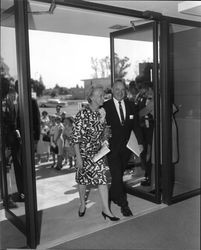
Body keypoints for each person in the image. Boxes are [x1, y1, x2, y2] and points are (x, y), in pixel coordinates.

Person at [72, 86, 119, 221]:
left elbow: (103, 133)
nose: (102, 97)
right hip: (83, 153)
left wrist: (105, 141)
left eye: (102, 95)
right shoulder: (82, 114)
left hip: (97, 154)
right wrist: (78, 158)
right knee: (82, 181)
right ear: (91, 98)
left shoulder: (101, 113)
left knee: (102, 180)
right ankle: (82, 204)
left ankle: (106, 210)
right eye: (99, 95)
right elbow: (75, 138)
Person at [103, 79, 143, 217]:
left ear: (125, 91)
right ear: (112, 90)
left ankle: (112, 194)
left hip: (126, 149)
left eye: (122, 90)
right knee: (117, 175)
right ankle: (123, 204)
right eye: (117, 89)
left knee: (118, 175)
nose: (120, 92)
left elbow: (136, 126)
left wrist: (140, 143)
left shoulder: (131, 105)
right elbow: (100, 127)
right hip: (112, 149)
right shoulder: (105, 106)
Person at [135, 76, 154, 186]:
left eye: (142, 87)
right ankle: (148, 175)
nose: (140, 89)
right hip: (142, 129)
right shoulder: (140, 97)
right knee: (144, 153)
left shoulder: (152, 97)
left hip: (150, 129)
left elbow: (144, 111)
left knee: (150, 153)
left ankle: (151, 177)